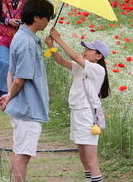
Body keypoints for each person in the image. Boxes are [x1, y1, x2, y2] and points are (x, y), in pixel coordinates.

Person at [0, 0, 55, 182]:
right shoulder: (28, 44)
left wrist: (9, 96)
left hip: (22, 105)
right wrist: (9, 97)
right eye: (49, 17)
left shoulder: (21, 36)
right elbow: (19, 79)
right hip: (28, 107)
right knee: (23, 155)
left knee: (19, 152)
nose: (49, 21)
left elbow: (10, 73)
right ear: (38, 18)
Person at [45, 28, 110, 182]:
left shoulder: (97, 69)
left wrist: (59, 39)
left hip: (86, 114)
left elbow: (73, 55)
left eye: (89, 49)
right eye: (85, 48)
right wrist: (51, 45)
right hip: (77, 112)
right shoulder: (83, 66)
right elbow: (61, 61)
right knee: (82, 155)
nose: (85, 51)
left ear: (98, 56)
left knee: (90, 158)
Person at [0, 0, 29, 99]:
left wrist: (21, 22)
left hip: (20, 37)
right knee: (3, 62)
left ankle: (14, 90)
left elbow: (30, 19)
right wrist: (8, 21)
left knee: (18, 65)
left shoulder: (27, 1)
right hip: (2, 37)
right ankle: (2, 90)